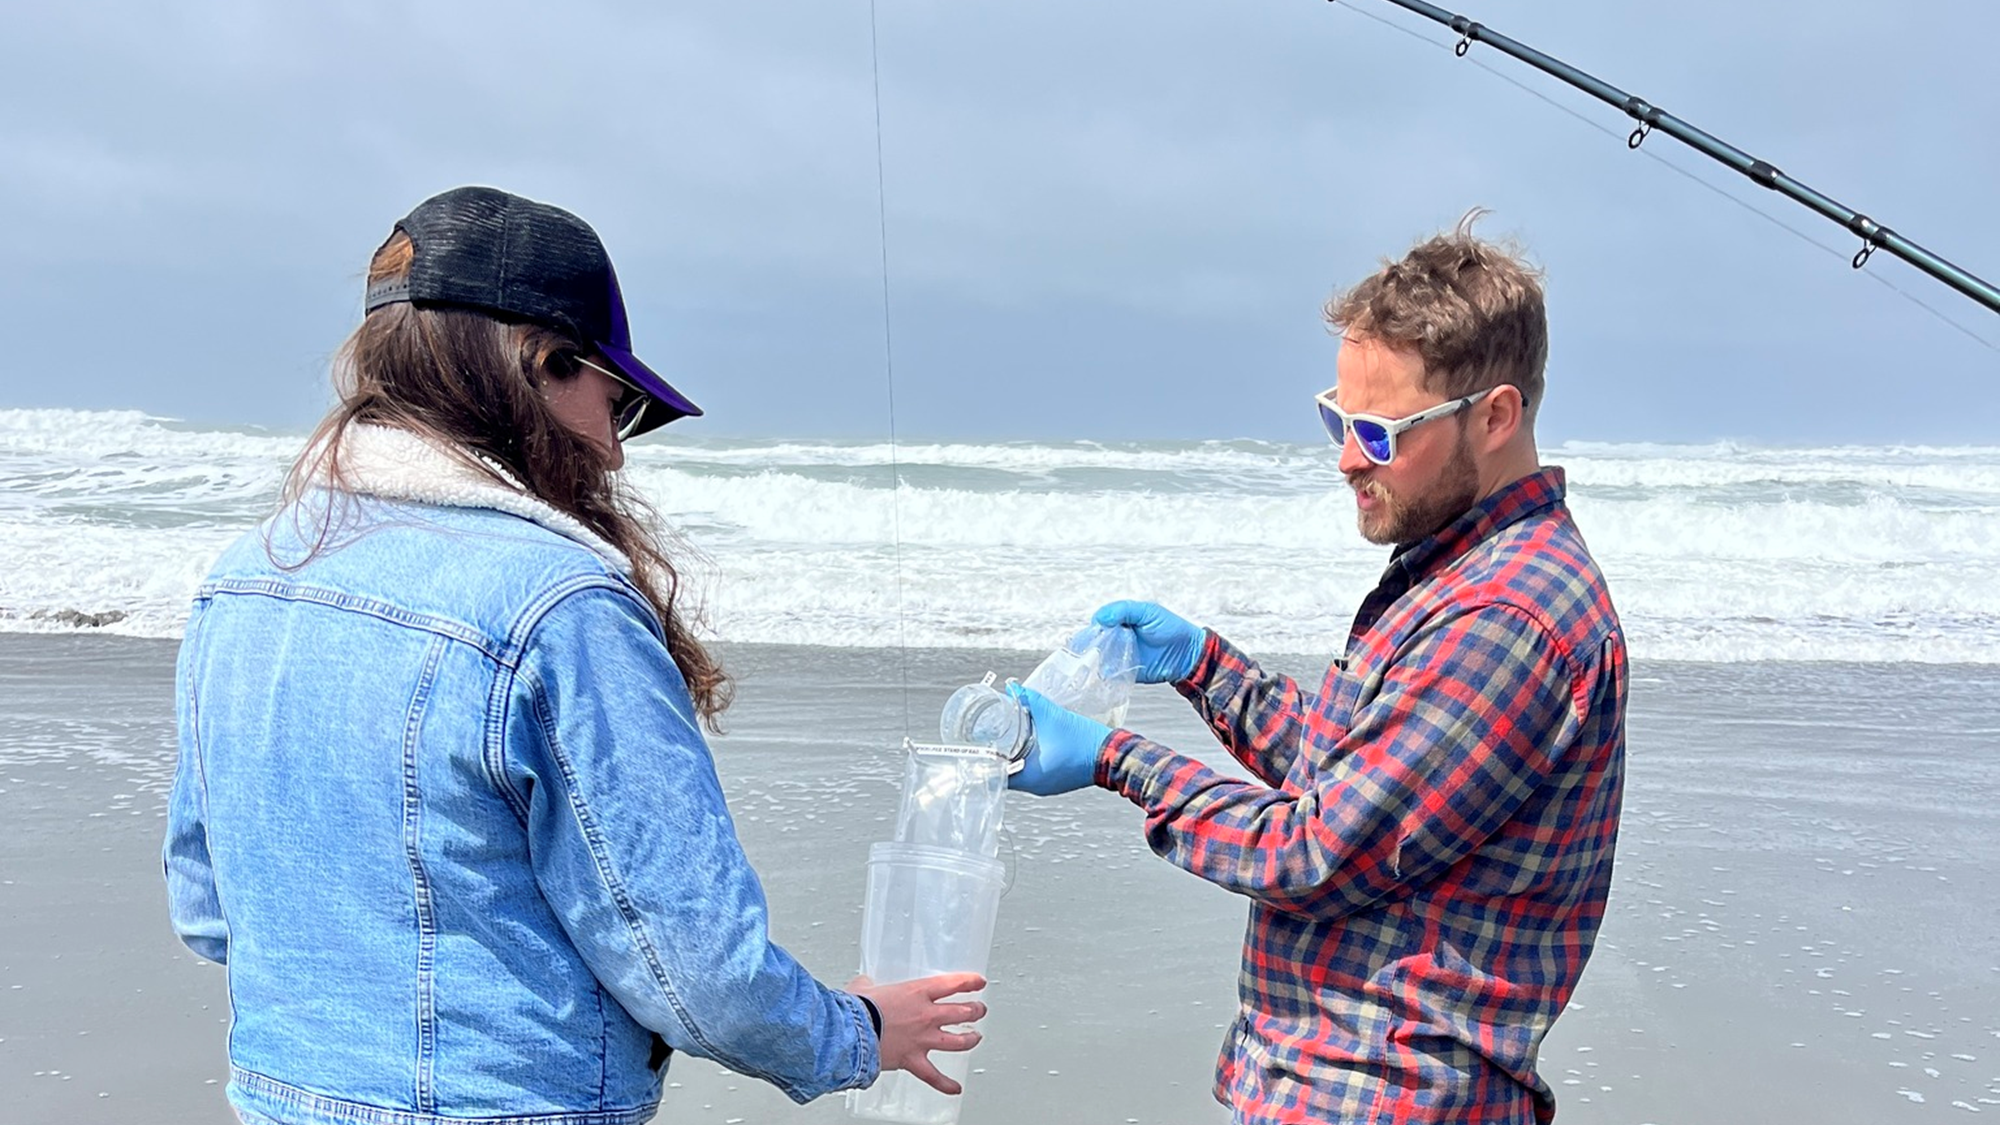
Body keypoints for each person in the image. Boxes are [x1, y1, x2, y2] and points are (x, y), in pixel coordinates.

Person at [163, 185, 983, 1125]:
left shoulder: (247, 573)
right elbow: (698, 969)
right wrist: (855, 1028)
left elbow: (208, 906)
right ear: (539, 364)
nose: (617, 453)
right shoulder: (561, 610)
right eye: (619, 403)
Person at [1008, 214, 1627, 1124]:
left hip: (1391, 1096)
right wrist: (1207, 668)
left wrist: (1114, 760)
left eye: (1380, 434)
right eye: (1337, 417)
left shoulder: (1507, 621)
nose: (1345, 458)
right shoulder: (1452, 571)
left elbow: (1314, 850)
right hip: (1327, 1086)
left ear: (1495, 415)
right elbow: (1362, 770)